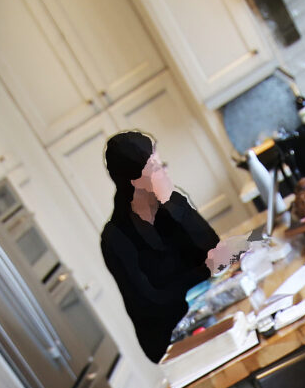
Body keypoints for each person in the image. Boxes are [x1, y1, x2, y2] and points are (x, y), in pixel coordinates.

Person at [101, 131, 239, 362]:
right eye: (156, 167)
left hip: (208, 311)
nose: (165, 172)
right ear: (134, 181)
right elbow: (152, 303)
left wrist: (173, 204)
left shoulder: (174, 202)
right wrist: (204, 271)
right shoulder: (115, 239)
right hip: (172, 340)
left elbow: (215, 251)